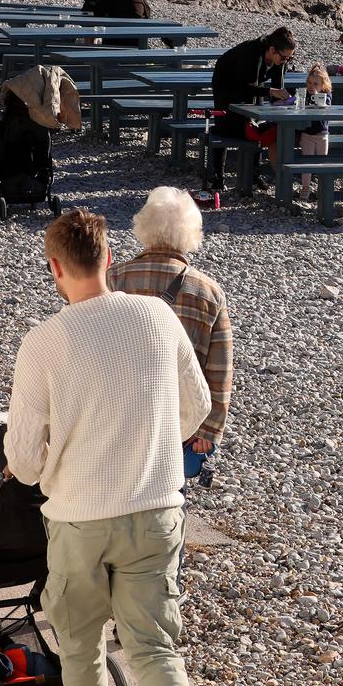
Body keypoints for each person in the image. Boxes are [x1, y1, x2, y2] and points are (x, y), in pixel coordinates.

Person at [6, 210, 209, 686]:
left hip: (81, 519)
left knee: (80, 652)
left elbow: (25, 461)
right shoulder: (158, 317)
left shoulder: (44, 342)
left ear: (55, 267)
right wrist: (157, 441)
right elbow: (198, 405)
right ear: (109, 258)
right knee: (156, 650)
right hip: (155, 509)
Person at [108, 188, 234, 478]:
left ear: (144, 226)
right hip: (182, 420)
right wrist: (209, 428)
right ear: (192, 233)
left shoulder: (114, 277)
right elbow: (219, 367)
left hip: (120, 412)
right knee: (170, 493)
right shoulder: (209, 292)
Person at [211, 26, 296, 147]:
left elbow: (278, 88)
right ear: (272, 50)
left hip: (253, 81)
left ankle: (255, 161)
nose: (286, 61)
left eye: (290, 58)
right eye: (284, 58)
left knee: (258, 120)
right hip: (227, 82)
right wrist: (272, 92)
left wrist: (285, 101)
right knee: (228, 126)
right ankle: (218, 163)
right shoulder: (252, 52)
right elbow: (246, 88)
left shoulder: (281, 59)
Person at [294, 63, 333, 202]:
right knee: (307, 164)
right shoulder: (305, 96)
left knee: (322, 163)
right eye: (309, 83)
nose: (311, 86)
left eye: (315, 84)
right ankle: (305, 189)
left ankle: (322, 190)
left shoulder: (326, 96)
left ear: (323, 85)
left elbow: (326, 106)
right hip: (308, 134)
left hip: (322, 134)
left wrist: (317, 97)